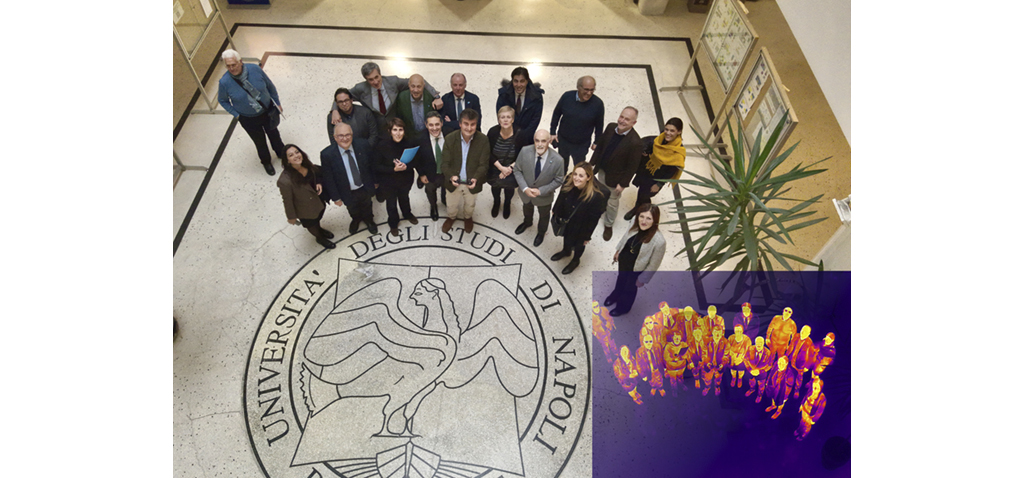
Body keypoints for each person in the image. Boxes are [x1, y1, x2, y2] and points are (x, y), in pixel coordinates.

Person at [217, 49, 285, 175]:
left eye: (234, 64)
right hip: (248, 118)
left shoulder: (254, 69)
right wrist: (237, 115)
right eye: (228, 66)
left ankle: (281, 154)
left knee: (274, 134)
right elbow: (222, 100)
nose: (231, 68)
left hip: (267, 110)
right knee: (259, 141)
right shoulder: (224, 82)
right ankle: (266, 162)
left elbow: (270, 86)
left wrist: (277, 102)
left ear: (240, 62)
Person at [589, 107, 644, 241]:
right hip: (601, 170)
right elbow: (600, 147)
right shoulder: (610, 127)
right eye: (621, 116)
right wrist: (591, 164)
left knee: (612, 202)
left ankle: (609, 224)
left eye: (627, 119)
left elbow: (632, 166)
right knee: (600, 192)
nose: (622, 121)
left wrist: (623, 184)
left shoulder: (635, 142)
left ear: (634, 123)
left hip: (615, 179)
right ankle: (600, 208)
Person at [330, 62, 442, 123]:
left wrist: (436, 96)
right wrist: (335, 110)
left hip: (396, 127)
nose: (375, 82)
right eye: (370, 79)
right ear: (365, 79)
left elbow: (417, 81)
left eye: (376, 77)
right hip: (376, 129)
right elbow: (341, 96)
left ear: (380, 74)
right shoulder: (360, 88)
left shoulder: (393, 81)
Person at [605, 203, 666, 316]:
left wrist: (643, 278)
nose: (644, 221)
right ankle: (616, 294)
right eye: (641, 216)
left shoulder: (659, 241)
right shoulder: (634, 221)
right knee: (621, 278)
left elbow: (654, 264)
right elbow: (626, 236)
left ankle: (623, 307)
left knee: (630, 288)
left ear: (655, 220)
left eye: (649, 218)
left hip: (637, 268)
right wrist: (618, 250)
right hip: (625, 260)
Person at [320, 122, 378, 235]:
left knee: (367, 205)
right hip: (346, 190)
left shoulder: (363, 145)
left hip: (364, 186)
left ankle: (369, 220)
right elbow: (328, 178)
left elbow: (372, 165)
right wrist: (336, 197)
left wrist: (375, 182)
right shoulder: (327, 155)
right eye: (341, 136)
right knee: (352, 208)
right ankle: (356, 219)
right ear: (335, 137)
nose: (345, 138)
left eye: (348, 135)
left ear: (352, 134)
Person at [624, 117, 687, 221]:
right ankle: (639, 208)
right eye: (666, 129)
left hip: (657, 177)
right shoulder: (659, 140)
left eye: (672, 131)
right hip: (647, 171)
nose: (668, 133)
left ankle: (642, 210)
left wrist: (659, 184)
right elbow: (647, 144)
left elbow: (671, 171)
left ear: (679, 132)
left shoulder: (678, 152)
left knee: (645, 195)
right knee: (642, 191)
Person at [550, 162, 607, 275]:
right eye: (575, 174)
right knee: (566, 236)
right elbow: (561, 195)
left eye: (581, 176)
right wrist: (555, 210)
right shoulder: (569, 180)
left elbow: (593, 219)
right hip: (567, 218)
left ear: (588, 177)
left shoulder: (596, 196)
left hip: (581, 225)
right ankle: (566, 251)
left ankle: (575, 260)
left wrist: (587, 236)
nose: (576, 178)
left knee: (579, 244)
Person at [440, 109, 490, 234]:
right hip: (454, 181)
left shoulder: (483, 140)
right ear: (460, 124)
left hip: (472, 181)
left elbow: (483, 165)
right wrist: (451, 176)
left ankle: (468, 217)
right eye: (466, 124)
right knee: (451, 204)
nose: (469, 128)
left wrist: (476, 178)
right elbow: (444, 164)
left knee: (470, 204)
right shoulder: (450, 139)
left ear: (476, 124)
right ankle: (451, 217)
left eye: (472, 124)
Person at [513, 129, 565, 247]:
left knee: (544, 215)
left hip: (544, 197)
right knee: (527, 208)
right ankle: (527, 222)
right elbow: (517, 170)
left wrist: (541, 191)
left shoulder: (558, 160)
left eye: (543, 141)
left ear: (549, 141)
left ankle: (541, 233)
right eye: (537, 141)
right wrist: (525, 188)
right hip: (526, 193)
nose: (540, 144)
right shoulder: (525, 151)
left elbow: (558, 180)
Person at [277, 144, 334, 249]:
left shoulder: (307, 164)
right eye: (291, 155)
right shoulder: (285, 181)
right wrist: (291, 217)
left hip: (318, 201)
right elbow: (287, 200)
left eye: (297, 152)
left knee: (317, 218)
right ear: (287, 160)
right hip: (305, 209)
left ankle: (320, 229)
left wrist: (319, 182)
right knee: (312, 224)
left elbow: (319, 172)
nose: (296, 156)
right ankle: (319, 237)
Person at [374, 117, 421, 236]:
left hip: (405, 178)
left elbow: (417, 161)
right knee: (391, 203)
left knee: (404, 198)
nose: (398, 133)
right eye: (395, 130)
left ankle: (407, 214)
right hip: (388, 181)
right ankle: (393, 223)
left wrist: (407, 166)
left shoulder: (410, 143)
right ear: (389, 131)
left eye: (401, 130)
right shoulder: (381, 145)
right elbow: (377, 166)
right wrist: (393, 169)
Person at [550, 75, 605, 172]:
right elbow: (556, 114)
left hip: (581, 144)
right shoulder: (567, 97)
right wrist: (553, 132)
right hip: (563, 140)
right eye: (586, 89)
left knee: (579, 168)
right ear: (578, 87)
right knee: (562, 164)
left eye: (592, 90)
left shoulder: (598, 104)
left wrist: (597, 142)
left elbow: (599, 125)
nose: (589, 93)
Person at [486, 106, 527, 220]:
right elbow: (487, 152)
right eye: (502, 117)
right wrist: (501, 168)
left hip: (513, 167)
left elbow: (523, 155)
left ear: (512, 120)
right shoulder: (493, 132)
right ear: (498, 119)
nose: (505, 120)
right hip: (495, 165)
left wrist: (509, 168)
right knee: (495, 185)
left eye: (508, 117)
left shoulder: (520, 134)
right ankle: (497, 202)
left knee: (509, 187)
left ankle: (507, 203)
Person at [413, 111, 447, 221]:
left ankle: (444, 198)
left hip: (446, 172)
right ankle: (433, 206)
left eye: (437, 124)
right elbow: (417, 159)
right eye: (431, 125)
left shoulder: (450, 134)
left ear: (442, 123)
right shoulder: (419, 138)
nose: (434, 128)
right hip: (429, 173)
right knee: (430, 191)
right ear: (426, 125)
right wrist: (421, 174)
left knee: (446, 187)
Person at [496, 66, 544, 141]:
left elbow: (535, 119)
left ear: (527, 81)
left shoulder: (536, 97)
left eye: (522, 81)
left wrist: (523, 137)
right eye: (516, 81)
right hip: (507, 136)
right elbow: (500, 115)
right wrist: (510, 135)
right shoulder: (504, 95)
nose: (518, 85)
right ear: (512, 81)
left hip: (527, 138)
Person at [389, 74, 435, 143]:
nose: (415, 90)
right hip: (408, 138)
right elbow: (399, 117)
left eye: (419, 87)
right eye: (413, 86)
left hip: (428, 137)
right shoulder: (402, 98)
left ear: (424, 86)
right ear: (408, 85)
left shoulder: (430, 97)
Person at [789, 325, 816, 401]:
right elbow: (791, 346)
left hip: (800, 365)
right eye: (802, 330)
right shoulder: (796, 336)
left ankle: (796, 390)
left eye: (806, 332)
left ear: (809, 334)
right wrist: (787, 356)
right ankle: (788, 387)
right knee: (789, 375)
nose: (803, 333)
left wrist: (807, 366)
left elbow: (811, 356)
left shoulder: (809, 343)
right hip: (792, 361)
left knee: (799, 378)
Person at [765, 355, 797, 420]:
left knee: (780, 402)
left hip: (781, 391)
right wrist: (767, 383)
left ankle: (778, 411)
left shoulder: (790, 374)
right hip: (773, 387)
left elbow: (788, 388)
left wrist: (785, 397)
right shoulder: (775, 366)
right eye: (779, 362)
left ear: (786, 363)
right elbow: (771, 374)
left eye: (782, 363)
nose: (780, 364)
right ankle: (773, 405)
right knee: (772, 397)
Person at [795, 376, 826, 441]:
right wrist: (802, 405)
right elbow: (805, 397)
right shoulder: (810, 391)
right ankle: (799, 429)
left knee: (806, 426)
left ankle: (803, 435)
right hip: (805, 410)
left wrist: (813, 419)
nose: (814, 389)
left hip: (810, 415)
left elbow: (820, 411)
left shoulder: (822, 399)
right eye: (813, 387)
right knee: (802, 421)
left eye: (816, 388)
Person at [743, 336, 774, 402]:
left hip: (761, 373)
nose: (759, 344)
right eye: (757, 342)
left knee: (761, 385)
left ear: (763, 343)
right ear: (755, 342)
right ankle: (752, 389)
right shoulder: (750, 348)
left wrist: (760, 371)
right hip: (751, 371)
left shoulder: (768, 352)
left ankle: (760, 395)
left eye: (760, 342)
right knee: (751, 381)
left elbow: (770, 365)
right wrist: (750, 369)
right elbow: (745, 359)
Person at [636, 333, 666, 397]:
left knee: (660, 379)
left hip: (658, 369)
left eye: (650, 341)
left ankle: (660, 388)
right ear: (643, 342)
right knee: (651, 381)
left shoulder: (658, 346)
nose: (648, 343)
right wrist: (643, 375)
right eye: (646, 342)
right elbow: (639, 365)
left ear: (653, 341)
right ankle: (654, 387)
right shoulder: (639, 351)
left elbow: (662, 357)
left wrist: (664, 367)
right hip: (649, 370)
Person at [702, 326, 727, 396]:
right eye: (715, 332)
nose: (717, 335)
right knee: (707, 378)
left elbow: (727, 355)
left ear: (722, 333)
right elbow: (703, 354)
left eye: (719, 333)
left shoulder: (725, 342)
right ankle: (707, 387)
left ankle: (717, 387)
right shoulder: (707, 341)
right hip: (709, 365)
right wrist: (707, 362)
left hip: (719, 365)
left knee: (718, 379)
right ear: (712, 333)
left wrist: (722, 364)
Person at [726, 324, 753, 389]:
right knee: (733, 370)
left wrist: (741, 358)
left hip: (742, 359)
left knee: (741, 371)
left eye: (740, 331)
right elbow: (728, 349)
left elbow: (748, 351)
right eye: (736, 330)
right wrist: (733, 357)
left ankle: (740, 379)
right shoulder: (731, 338)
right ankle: (733, 378)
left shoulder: (747, 340)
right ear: (734, 331)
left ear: (742, 331)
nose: (738, 332)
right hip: (733, 358)